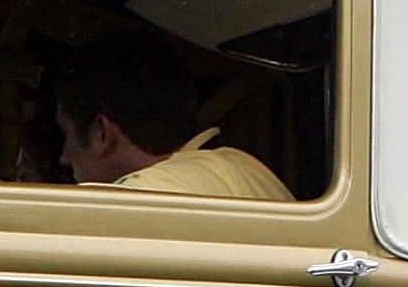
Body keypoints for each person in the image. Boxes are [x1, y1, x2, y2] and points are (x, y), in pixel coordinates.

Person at [52, 31, 290, 199]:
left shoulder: (144, 196)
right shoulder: (244, 168)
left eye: (67, 134)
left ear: (101, 132)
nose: (64, 157)